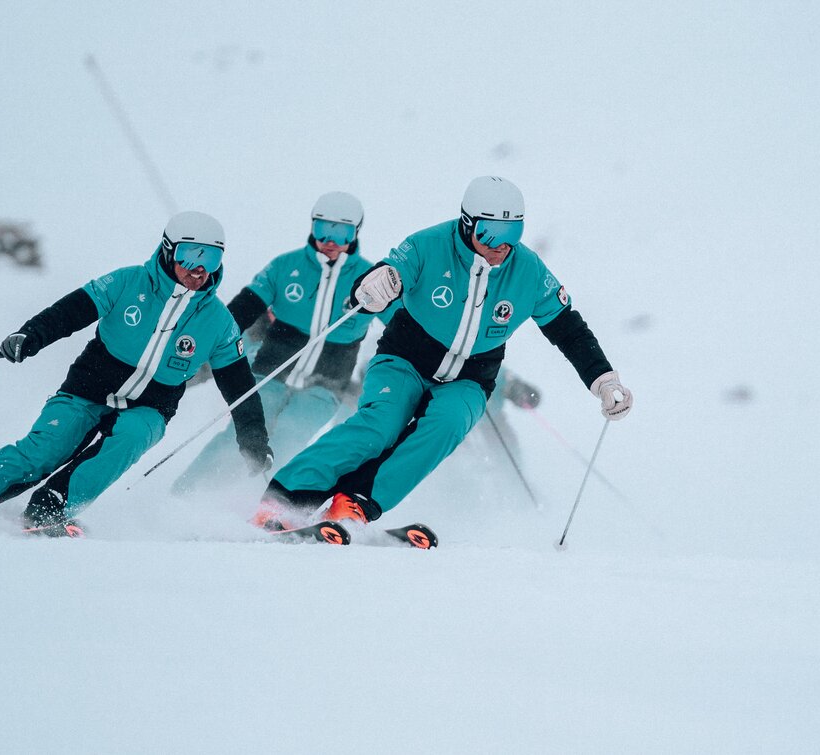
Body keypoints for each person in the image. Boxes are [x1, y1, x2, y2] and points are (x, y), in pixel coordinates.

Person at [254, 176, 633, 528]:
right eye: (490, 231)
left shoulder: (528, 271)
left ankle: (355, 503)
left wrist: (602, 379)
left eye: (512, 232)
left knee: (447, 425)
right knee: (380, 424)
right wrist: (377, 284)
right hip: (405, 359)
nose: (501, 244)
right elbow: (386, 275)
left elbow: (568, 328)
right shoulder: (429, 245)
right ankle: (286, 498)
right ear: (467, 225)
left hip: (470, 378)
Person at [0, 211, 274, 534]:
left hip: (150, 407)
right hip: (86, 390)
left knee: (128, 440)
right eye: (190, 255)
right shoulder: (127, 283)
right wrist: (31, 335)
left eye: (211, 258)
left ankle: (50, 510)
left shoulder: (218, 322)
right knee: (44, 450)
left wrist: (253, 438)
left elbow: (240, 385)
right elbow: (70, 312)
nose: (200, 268)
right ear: (168, 251)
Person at [171, 192, 389, 496]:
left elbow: (402, 325)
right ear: (312, 227)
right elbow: (240, 312)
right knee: (239, 435)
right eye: (322, 229)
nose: (330, 240)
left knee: (289, 438)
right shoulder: (285, 267)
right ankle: (185, 495)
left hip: (324, 388)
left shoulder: (369, 279)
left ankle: (263, 507)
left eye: (341, 233)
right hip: (269, 375)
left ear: (355, 234)